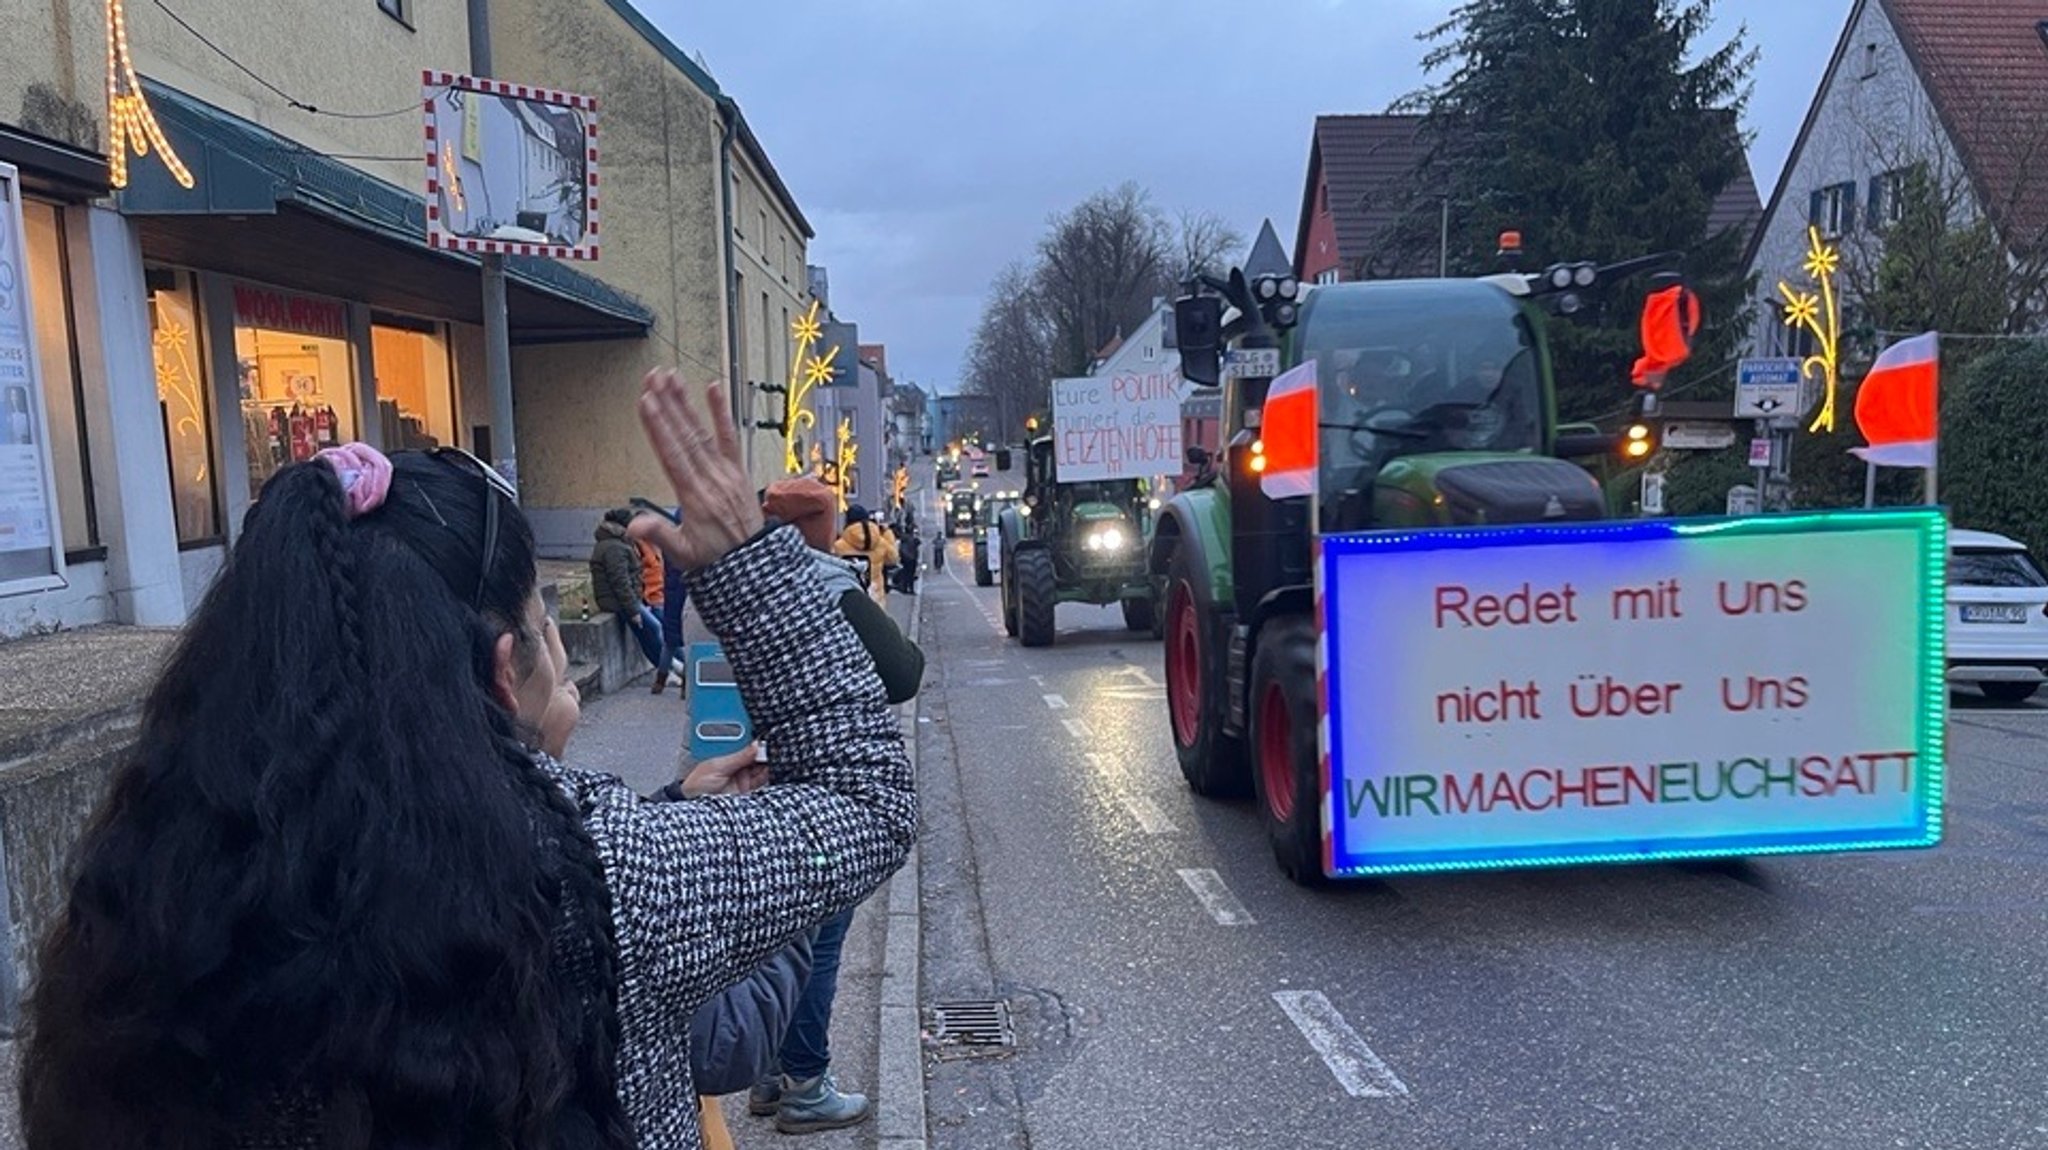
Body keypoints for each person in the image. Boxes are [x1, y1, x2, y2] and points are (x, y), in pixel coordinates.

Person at [20, 376, 917, 1150]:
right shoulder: (602, 884)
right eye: (544, 628)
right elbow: (866, 797)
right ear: (502, 671)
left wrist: (666, 804)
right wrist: (753, 568)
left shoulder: (157, 885)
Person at [591, 506, 666, 673]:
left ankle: (670, 669)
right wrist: (634, 611)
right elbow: (621, 583)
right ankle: (676, 669)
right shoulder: (614, 548)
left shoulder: (617, 544)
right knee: (654, 629)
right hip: (619, 602)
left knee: (653, 632)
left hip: (628, 599)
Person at [834, 504, 898, 604]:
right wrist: (887, 533)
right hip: (875, 598)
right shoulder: (881, 543)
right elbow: (893, 559)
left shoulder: (838, 546)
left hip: (849, 599)